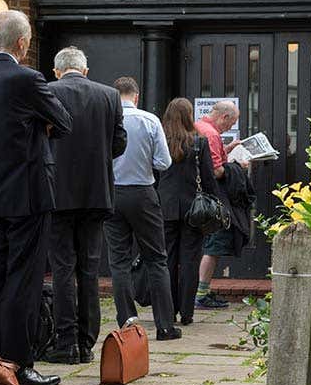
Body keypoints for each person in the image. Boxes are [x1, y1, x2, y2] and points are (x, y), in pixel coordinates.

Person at [0, 10, 72, 385]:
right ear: (23, 43)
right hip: (29, 192)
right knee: (23, 280)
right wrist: (38, 124)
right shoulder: (27, 78)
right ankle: (19, 364)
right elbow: (64, 121)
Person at [46, 46, 127, 364]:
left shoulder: (48, 92)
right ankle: (86, 342)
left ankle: (65, 342)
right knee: (90, 269)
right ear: (85, 71)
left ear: (56, 71)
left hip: (58, 193)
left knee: (63, 268)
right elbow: (119, 142)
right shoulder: (109, 95)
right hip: (96, 193)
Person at [105, 77, 180, 340]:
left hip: (112, 193)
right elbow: (163, 162)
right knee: (156, 258)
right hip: (143, 192)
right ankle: (165, 325)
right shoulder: (149, 120)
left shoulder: (107, 120)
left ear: (114, 96)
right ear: (136, 96)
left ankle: (127, 320)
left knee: (119, 261)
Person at [157, 98, 223, 326]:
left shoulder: (161, 140)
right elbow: (208, 178)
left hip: (165, 206)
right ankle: (187, 311)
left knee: (167, 260)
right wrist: (214, 201)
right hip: (193, 209)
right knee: (190, 260)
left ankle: (167, 310)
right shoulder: (198, 143)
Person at [194, 100, 246, 309]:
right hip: (212, 199)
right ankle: (201, 294)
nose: (229, 127)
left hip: (195, 197)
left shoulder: (198, 126)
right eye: (230, 123)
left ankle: (195, 292)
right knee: (212, 248)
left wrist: (227, 149)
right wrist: (237, 167)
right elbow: (216, 171)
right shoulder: (212, 134)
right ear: (224, 117)